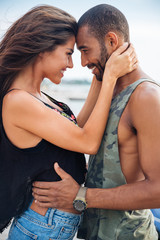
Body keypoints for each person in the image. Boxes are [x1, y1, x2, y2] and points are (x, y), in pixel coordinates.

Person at [0, 4, 136, 240]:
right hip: (40, 228)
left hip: (50, 225)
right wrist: (111, 78)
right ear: (43, 48)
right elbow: (88, 142)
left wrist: (101, 73)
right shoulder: (17, 101)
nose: (73, 64)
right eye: (69, 53)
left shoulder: (38, 97)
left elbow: (77, 131)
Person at [32, 4, 160, 240]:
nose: (81, 62)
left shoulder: (146, 97)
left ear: (111, 41)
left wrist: (81, 195)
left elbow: (158, 190)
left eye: (85, 50)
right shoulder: (107, 88)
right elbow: (78, 136)